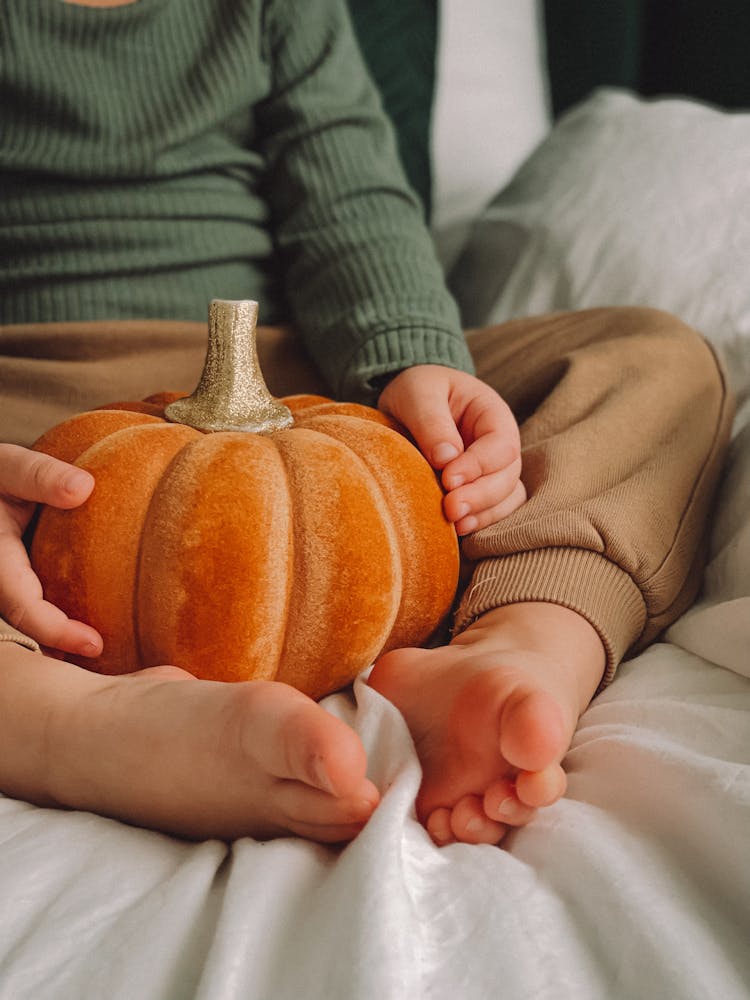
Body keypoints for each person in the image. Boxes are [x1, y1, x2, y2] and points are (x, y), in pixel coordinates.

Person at [0, 0, 732, 847]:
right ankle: (72, 726)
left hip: (284, 384)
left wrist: (411, 358)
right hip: (32, 399)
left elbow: (349, 197)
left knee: (650, 354)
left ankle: (525, 636)